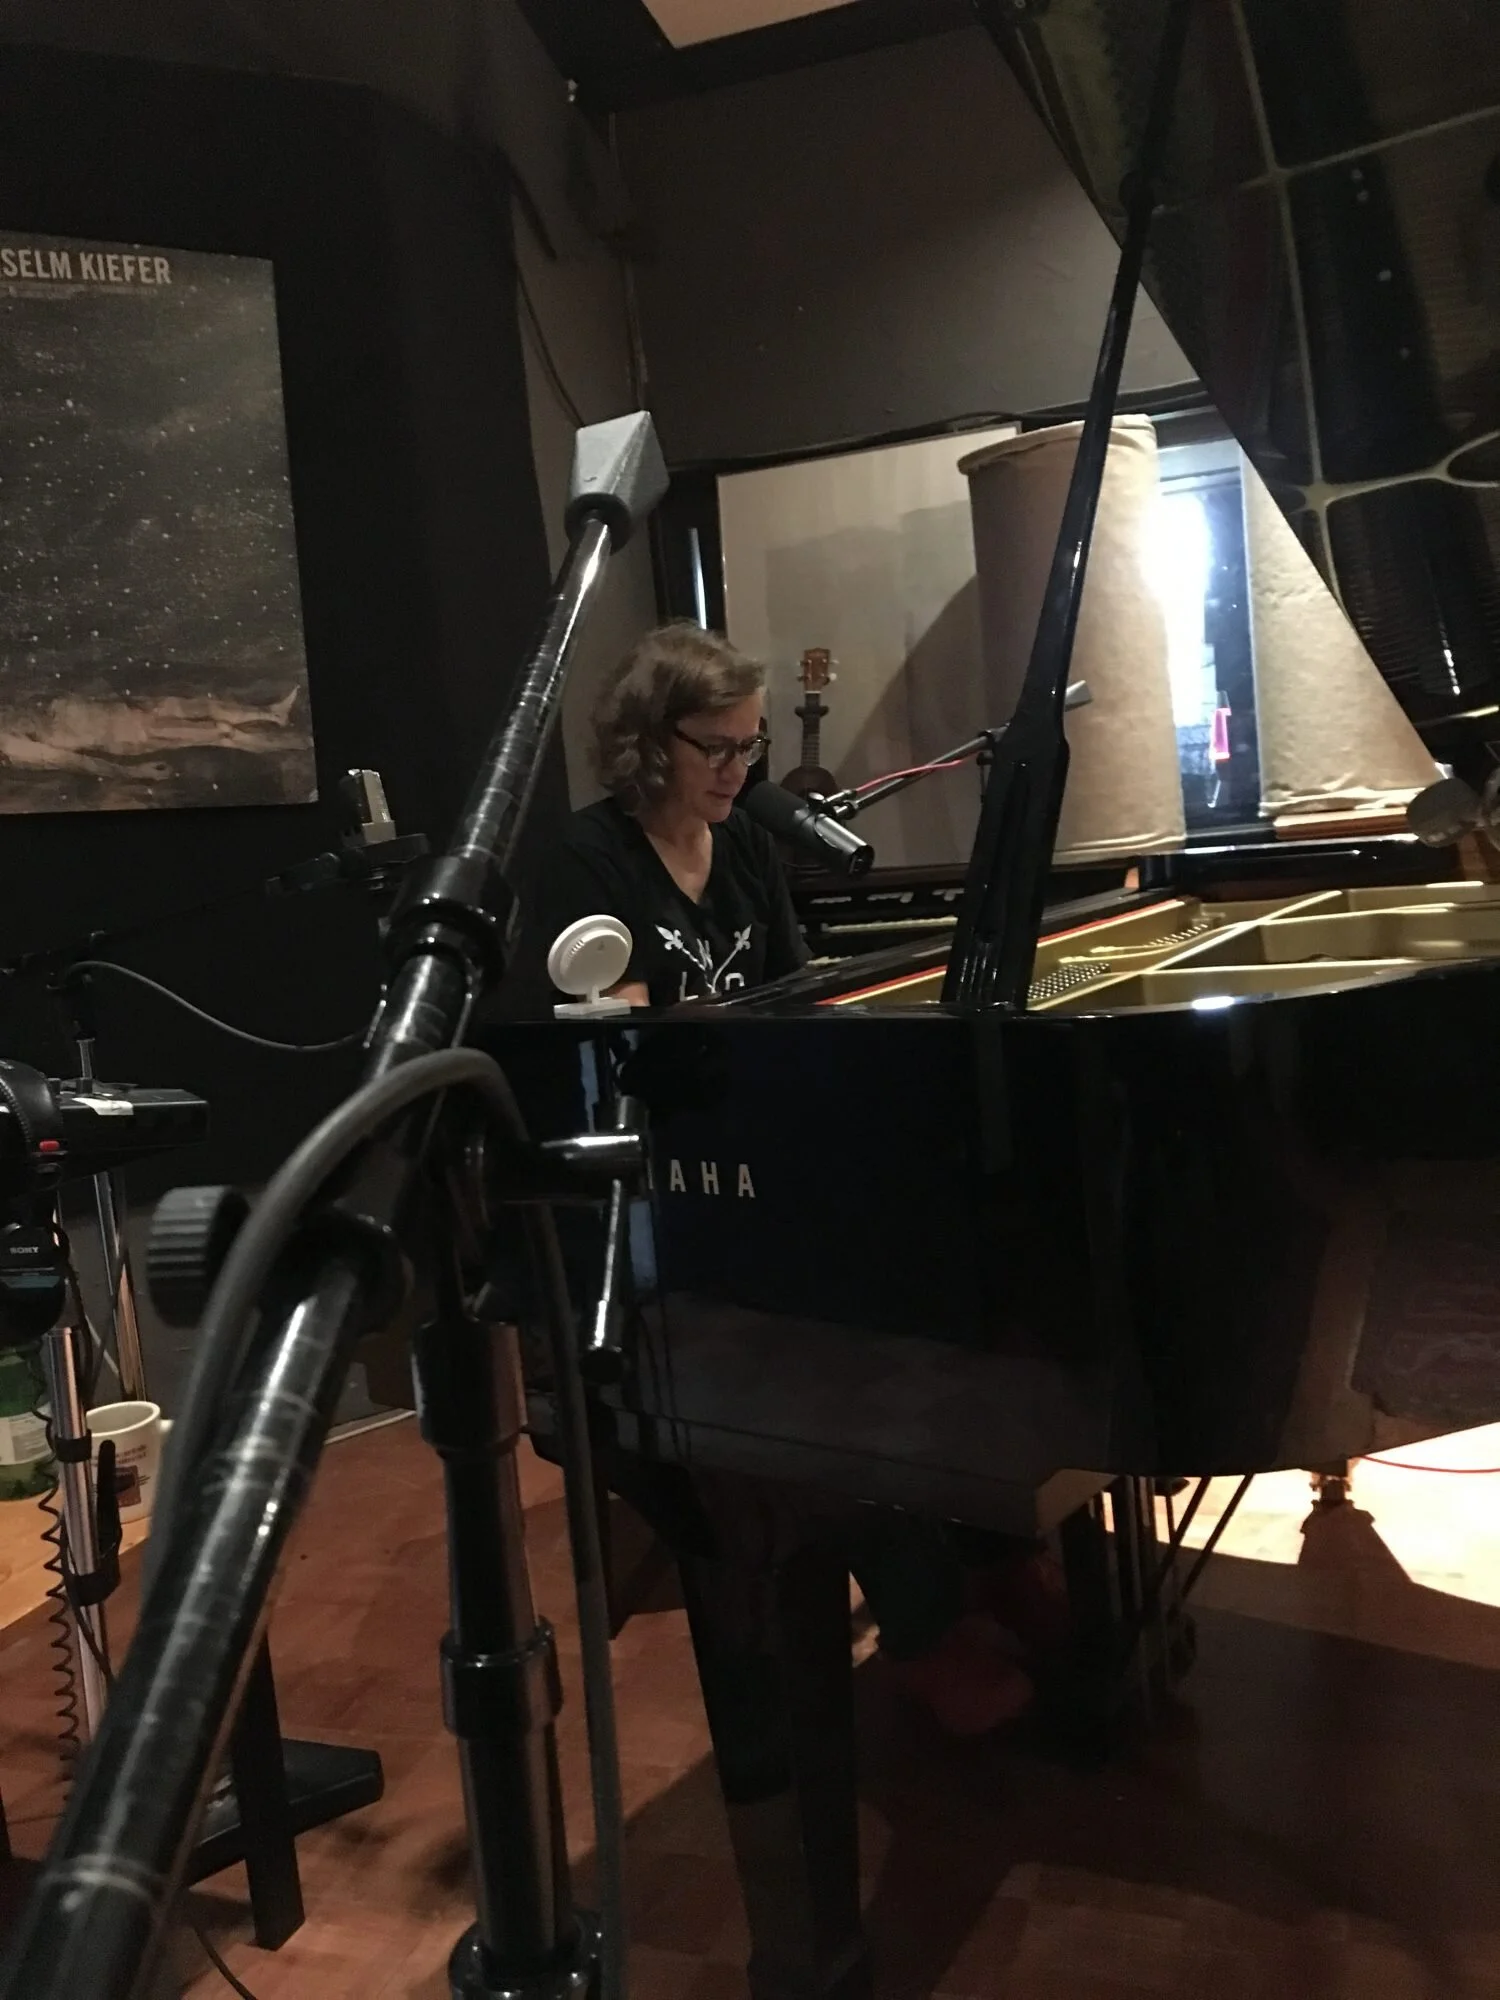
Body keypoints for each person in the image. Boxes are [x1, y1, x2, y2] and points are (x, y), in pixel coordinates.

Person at [519, 622, 1054, 1732]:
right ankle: (923, 1624)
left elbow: (792, 997)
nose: (738, 771)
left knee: (944, 1298)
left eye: (750, 747)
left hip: (754, 1158)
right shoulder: (588, 859)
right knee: (819, 1371)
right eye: (716, 747)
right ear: (649, 742)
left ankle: (992, 1552)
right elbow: (611, 1052)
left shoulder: (746, 848)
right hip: (660, 1191)